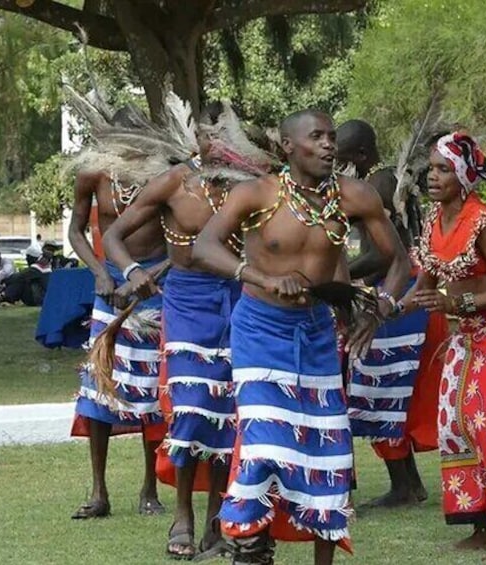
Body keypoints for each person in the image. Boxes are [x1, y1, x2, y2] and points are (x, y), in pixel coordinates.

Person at [192, 109, 411, 565]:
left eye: (331, 136)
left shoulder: (355, 196)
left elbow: (398, 259)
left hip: (316, 334)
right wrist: (262, 278)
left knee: (326, 450)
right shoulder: (256, 193)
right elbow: (204, 246)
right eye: (317, 136)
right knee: (264, 443)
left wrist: (380, 309)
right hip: (259, 329)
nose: (329, 144)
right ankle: (252, 549)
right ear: (289, 145)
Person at [103, 106, 270, 560]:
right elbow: (114, 235)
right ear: (195, 137)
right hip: (187, 303)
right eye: (209, 134)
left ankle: (217, 519)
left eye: (226, 135)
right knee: (191, 407)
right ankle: (183, 515)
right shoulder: (174, 182)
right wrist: (132, 270)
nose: (217, 143)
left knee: (228, 412)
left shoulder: (252, 185)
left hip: (239, 298)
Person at [396, 132, 486, 561]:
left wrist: (457, 304)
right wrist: (385, 309)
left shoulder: (484, 222)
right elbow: (424, 287)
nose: (432, 176)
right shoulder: (433, 221)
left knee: (485, 422)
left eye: (443, 169)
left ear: (463, 176)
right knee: (453, 423)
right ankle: (481, 526)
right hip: (468, 333)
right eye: (431, 168)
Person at [66, 103, 171, 522]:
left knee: (151, 387)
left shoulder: (164, 176)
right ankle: (99, 491)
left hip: (155, 286)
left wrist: (150, 276)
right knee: (100, 385)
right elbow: (76, 230)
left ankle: (150, 487)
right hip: (109, 286)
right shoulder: (93, 174)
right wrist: (99, 272)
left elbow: (185, 238)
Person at [337, 119, 448, 508]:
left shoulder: (377, 183)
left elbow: (387, 254)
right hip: (396, 289)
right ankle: (407, 484)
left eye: (342, 158)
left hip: (398, 291)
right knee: (383, 390)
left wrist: (335, 276)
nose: (337, 166)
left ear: (361, 154)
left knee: (383, 388)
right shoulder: (378, 181)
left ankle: (405, 485)